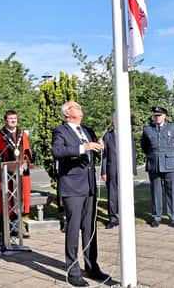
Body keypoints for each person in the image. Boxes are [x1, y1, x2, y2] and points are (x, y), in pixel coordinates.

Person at [52, 101, 108, 287]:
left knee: (90, 228)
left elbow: (94, 152)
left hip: (90, 186)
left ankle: (92, 266)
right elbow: (57, 151)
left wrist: (98, 146)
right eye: (75, 106)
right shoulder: (61, 131)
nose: (80, 108)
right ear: (68, 113)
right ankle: (73, 271)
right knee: (73, 228)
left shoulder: (88, 130)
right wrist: (83, 148)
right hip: (72, 187)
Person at [0, 110, 33, 237]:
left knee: (20, 198)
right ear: (5, 120)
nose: (13, 120)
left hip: (19, 172)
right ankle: (5, 229)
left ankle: (18, 228)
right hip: (6, 173)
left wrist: (25, 166)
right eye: (10, 118)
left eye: (15, 118)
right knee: (6, 199)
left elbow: (27, 152)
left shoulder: (22, 134)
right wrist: (2, 167)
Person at [141, 106, 174, 228]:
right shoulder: (148, 129)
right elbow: (144, 145)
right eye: (155, 115)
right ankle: (156, 217)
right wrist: (152, 155)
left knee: (171, 192)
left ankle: (173, 217)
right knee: (156, 192)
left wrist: (170, 154)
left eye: (159, 115)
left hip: (169, 164)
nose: (157, 117)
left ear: (164, 116)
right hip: (154, 164)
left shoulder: (172, 127)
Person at [101, 114, 137, 229]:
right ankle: (113, 218)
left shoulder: (127, 135)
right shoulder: (108, 135)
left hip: (125, 169)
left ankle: (126, 218)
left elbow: (132, 153)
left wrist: (133, 171)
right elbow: (104, 156)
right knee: (112, 195)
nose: (116, 121)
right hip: (112, 169)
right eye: (114, 119)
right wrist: (103, 171)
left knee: (126, 195)